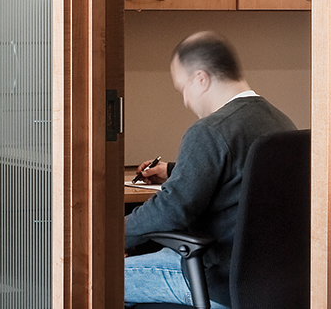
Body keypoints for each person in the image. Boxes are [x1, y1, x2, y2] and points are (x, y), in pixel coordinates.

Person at [124, 31, 294, 308]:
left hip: (214, 278)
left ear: (200, 79)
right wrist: (173, 170)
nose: (185, 101)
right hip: (267, 281)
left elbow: (170, 212)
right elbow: (245, 173)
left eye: (183, 89)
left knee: (97, 277)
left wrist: (109, 235)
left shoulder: (209, 131)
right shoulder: (279, 120)